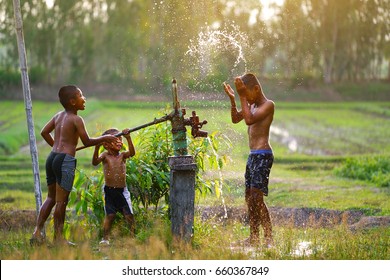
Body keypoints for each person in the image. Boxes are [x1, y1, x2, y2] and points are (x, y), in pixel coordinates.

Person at [30, 85, 117, 246]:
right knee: (61, 201)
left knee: (51, 197)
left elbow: (44, 132)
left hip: (52, 157)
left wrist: (56, 146)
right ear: (72, 102)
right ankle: (59, 240)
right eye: (81, 96)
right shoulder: (77, 119)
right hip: (65, 161)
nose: (84, 98)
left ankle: (37, 232)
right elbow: (87, 141)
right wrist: (106, 138)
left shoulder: (58, 116)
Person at [223, 73, 275, 247]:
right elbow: (236, 118)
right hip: (253, 155)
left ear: (256, 89)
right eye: (243, 94)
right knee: (249, 198)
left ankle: (268, 238)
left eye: (247, 93)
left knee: (257, 197)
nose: (246, 97)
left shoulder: (268, 105)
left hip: (263, 155)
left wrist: (241, 95)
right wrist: (233, 99)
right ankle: (254, 238)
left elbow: (249, 120)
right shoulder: (251, 104)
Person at [92, 128, 136, 246]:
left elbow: (132, 153)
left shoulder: (122, 155)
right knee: (110, 215)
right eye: (115, 140)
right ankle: (105, 238)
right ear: (105, 145)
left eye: (120, 139)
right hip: (109, 191)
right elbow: (95, 162)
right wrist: (96, 147)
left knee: (129, 215)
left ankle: (132, 238)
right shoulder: (105, 155)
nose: (119, 142)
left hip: (122, 191)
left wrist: (128, 138)